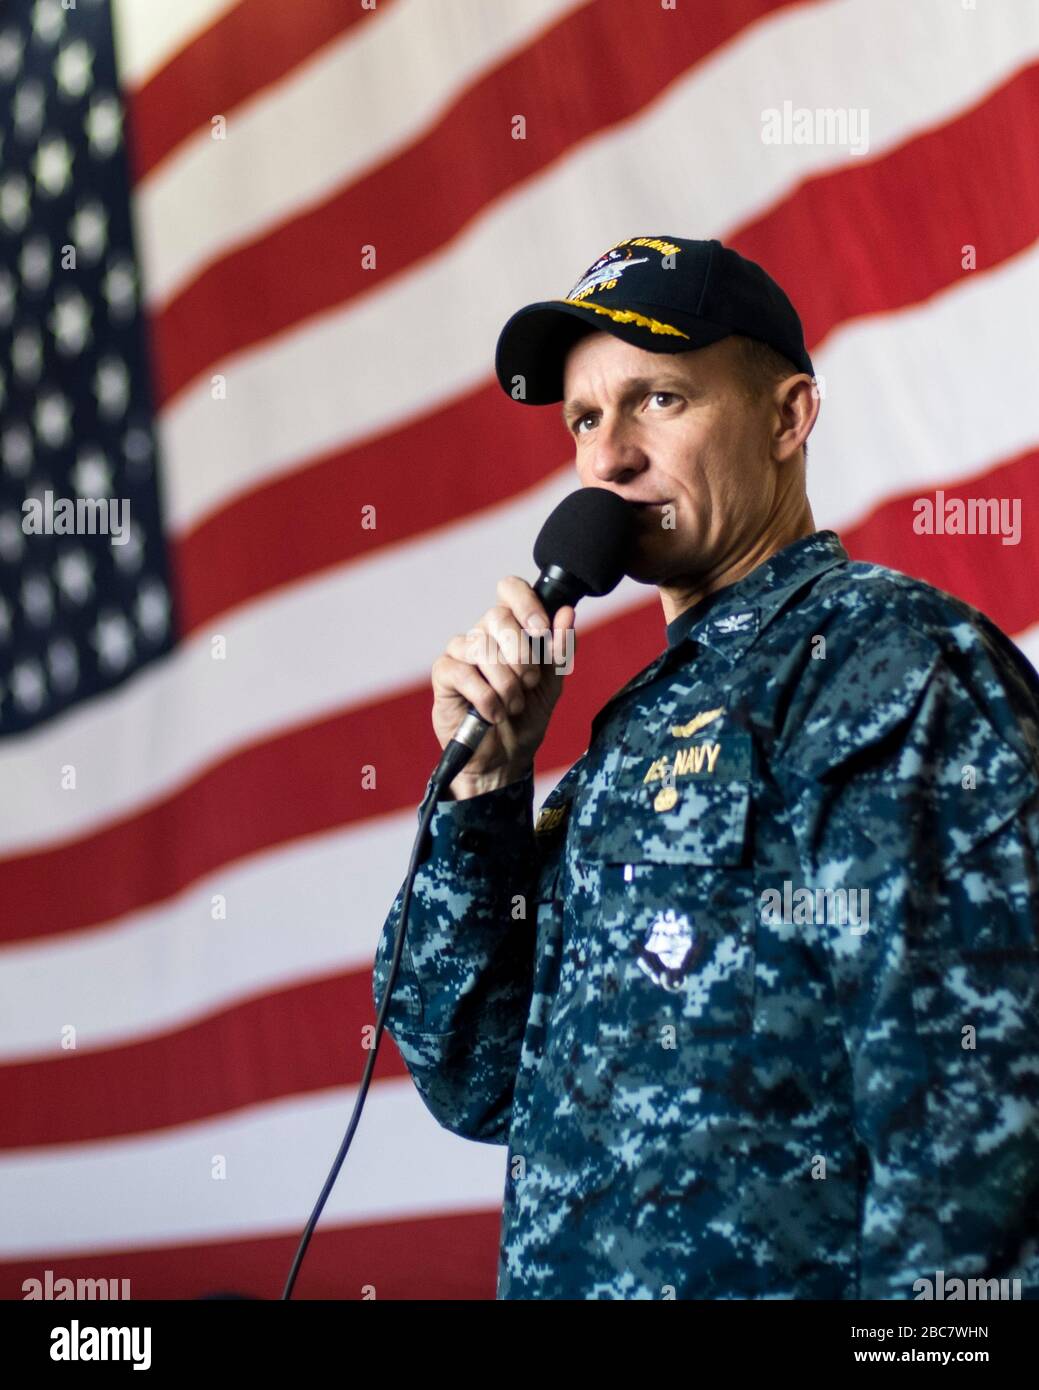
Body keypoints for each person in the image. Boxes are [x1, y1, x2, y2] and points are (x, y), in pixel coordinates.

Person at [372, 236, 1039, 1299]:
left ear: (787, 417)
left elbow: (977, 1133)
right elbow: (476, 1074)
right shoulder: (626, 736)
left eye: (659, 401)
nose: (610, 457)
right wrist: (486, 790)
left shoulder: (893, 666)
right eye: (586, 419)